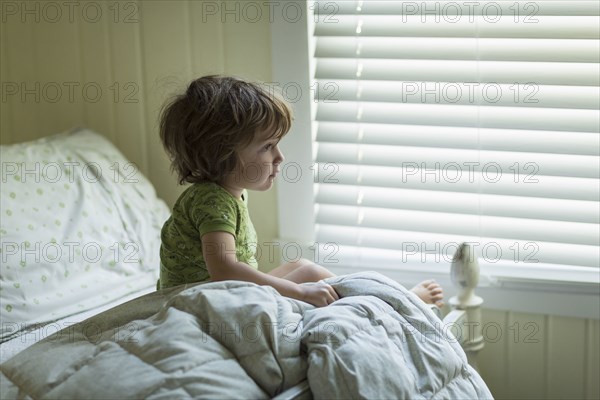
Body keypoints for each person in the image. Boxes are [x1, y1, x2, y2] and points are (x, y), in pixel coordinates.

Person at [157, 75, 444, 308]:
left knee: (300, 264)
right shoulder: (211, 200)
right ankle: (396, 303)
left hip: (214, 292)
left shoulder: (228, 193)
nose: (280, 157)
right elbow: (225, 269)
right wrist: (301, 293)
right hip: (195, 303)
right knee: (311, 275)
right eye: (267, 147)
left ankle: (387, 298)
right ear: (221, 154)